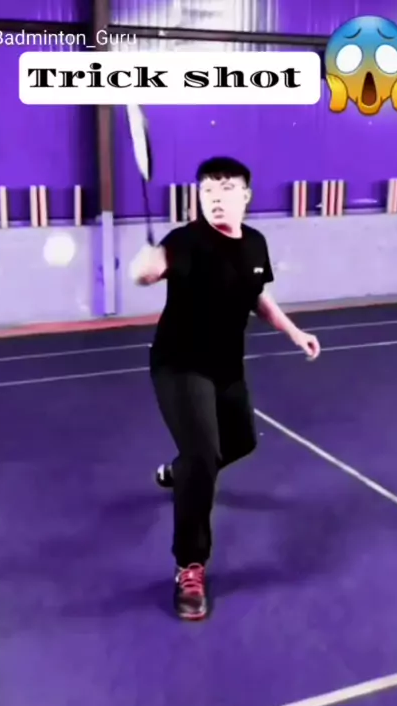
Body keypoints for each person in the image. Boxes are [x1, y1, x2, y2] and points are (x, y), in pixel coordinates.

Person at [129, 156, 321, 622]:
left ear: (245, 196)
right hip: (179, 366)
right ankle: (190, 566)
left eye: (226, 190)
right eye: (208, 192)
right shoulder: (185, 240)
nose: (216, 199)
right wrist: (144, 269)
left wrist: (294, 332)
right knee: (202, 457)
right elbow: (151, 272)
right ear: (199, 197)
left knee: (240, 443)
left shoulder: (255, 243)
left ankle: (178, 474)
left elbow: (257, 296)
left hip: (226, 368)